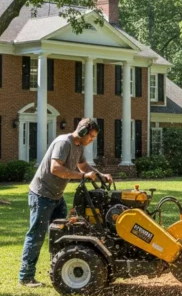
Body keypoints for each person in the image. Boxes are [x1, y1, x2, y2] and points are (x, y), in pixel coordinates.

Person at [18, 117, 112, 287]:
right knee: (36, 235)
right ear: (82, 131)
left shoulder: (78, 146)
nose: (91, 140)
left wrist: (100, 175)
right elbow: (56, 169)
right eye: (90, 136)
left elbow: (84, 166)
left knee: (62, 235)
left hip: (56, 196)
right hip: (41, 195)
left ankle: (58, 269)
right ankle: (25, 277)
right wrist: (82, 176)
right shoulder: (64, 143)